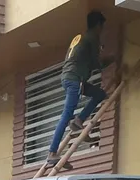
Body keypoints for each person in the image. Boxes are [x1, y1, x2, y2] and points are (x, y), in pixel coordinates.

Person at [45, 11, 115, 170]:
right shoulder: (92, 37)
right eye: (102, 27)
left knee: (99, 94)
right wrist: (112, 58)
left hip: (70, 78)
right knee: (66, 114)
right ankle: (52, 153)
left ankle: (79, 121)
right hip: (74, 79)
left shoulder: (80, 37)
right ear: (98, 25)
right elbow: (97, 64)